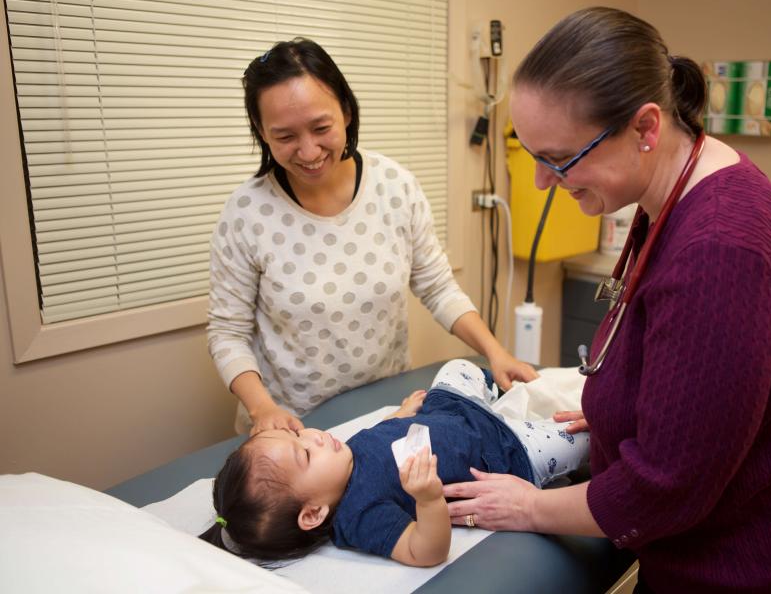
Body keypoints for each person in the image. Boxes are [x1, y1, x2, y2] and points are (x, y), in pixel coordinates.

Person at [441, 7, 771, 594]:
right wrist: (631, 408)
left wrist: (528, 508)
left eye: (558, 160)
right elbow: (704, 378)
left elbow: (665, 486)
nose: (541, 182)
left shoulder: (721, 249)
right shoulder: (674, 190)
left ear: (645, 128)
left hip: (759, 568)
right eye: (533, 154)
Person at [207, 38, 537, 436]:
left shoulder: (394, 186)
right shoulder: (246, 212)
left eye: (321, 127)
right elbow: (228, 333)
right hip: (296, 431)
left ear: (346, 111)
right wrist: (262, 410)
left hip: (388, 411)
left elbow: (437, 287)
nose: (309, 151)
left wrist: (495, 352)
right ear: (261, 131)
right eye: (285, 136)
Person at [199, 359, 588, 566]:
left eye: (298, 433)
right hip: (505, 454)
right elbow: (425, 551)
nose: (313, 435)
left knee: (458, 367)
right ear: (313, 513)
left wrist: (400, 416)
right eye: (304, 452)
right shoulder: (359, 516)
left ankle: (492, 394)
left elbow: (378, 438)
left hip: (453, 410)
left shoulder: (338, 457)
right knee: (582, 436)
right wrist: (429, 500)